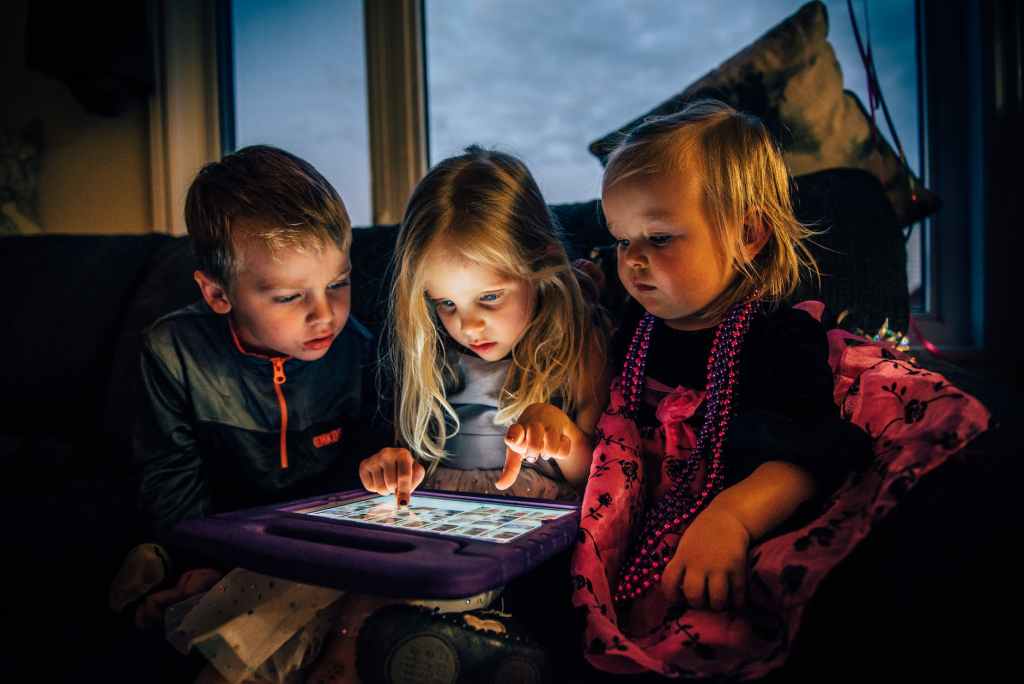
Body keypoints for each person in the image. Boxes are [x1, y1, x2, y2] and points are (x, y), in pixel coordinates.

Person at [570, 99, 875, 678]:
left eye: (659, 238)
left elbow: (806, 452)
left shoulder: (776, 338)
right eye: (620, 240)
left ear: (748, 233)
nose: (632, 261)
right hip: (632, 539)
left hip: (731, 539)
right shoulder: (632, 328)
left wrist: (731, 519)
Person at [304, 146, 610, 683]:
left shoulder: (576, 341)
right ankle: (348, 653)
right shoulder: (432, 352)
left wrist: (562, 440)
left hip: (534, 528)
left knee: (518, 597)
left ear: (537, 265)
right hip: (443, 513)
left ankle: (477, 648)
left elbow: (602, 479)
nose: (467, 325)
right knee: (369, 569)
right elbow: (413, 454)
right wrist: (394, 466)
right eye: (446, 304)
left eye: (488, 297)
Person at [115, 144, 386, 682]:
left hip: (316, 539)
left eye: (338, 283)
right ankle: (169, 576)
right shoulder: (174, 352)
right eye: (289, 297)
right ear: (218, 294)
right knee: (166, 563)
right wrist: (200, 559)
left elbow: (360, 476)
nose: (324, 313)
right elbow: (171, 476)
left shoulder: (359, 350)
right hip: (224, 527)